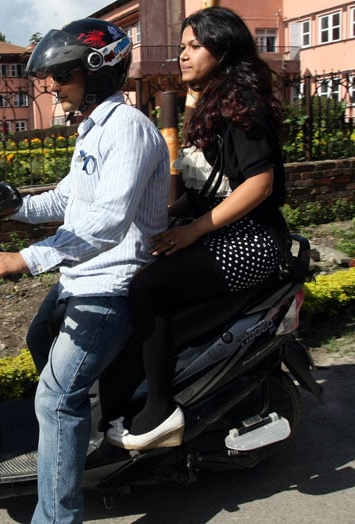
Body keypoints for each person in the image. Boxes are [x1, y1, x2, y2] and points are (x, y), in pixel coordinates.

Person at [0, 18, 169, 524]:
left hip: (110, 283)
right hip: (79, 277)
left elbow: (106, 223)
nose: (53, 87)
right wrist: (8, 207)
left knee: (56, 398)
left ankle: (56, 517)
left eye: (62, 76)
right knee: (40, 341)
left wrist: (26, 258)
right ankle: (80, 443)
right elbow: (68, 199)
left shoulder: (128, 130)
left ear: (98, 71)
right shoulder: (94, 130)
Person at [105, 6, 292, 451]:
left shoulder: (243, 103)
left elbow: (259, 184)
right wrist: (164, 217)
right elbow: (212, 188)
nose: (183, 56)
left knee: (147, 288)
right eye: (181, 48)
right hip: (227, 233)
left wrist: (194, 231)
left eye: (194, 46)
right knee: (143, 273)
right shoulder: (217, 101)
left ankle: (161, 410)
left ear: (222, 50)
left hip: (254, 242)